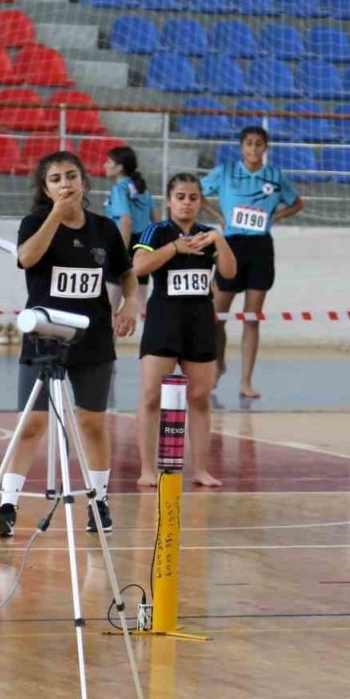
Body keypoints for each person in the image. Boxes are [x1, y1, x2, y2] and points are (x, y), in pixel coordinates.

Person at [0, 151, 139, 538]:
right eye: (55, 179)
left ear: (84, 181)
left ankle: (99, 501)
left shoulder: (103, 229)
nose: (66, 184)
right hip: (44, 336)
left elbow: (126, 272)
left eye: (71, 176)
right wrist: (55, 215)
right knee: (31, 422)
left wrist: (130, 303)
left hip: (93, 337)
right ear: (45, 187)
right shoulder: (36, 222)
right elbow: (26, 257)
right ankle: (7, 504)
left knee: (92, 422)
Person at [132, 173, 237, 488]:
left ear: (200, 202)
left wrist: (220, 239)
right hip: (164, 319)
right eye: (180, 197)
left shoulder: (208, 235)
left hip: (200, 321)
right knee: (152, 395)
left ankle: (201, 470)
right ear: (169, 200)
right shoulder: (157, 231)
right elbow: (138, 266)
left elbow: (230, 273)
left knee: (200, 397)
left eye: (193, 198)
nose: (187, 203)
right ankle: (147, 469)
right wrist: (175, 248)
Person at [201, 126, 303, 398]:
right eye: (249, 143)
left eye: (259, 144)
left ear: (265, 148)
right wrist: (218, 215)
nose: (254, 149)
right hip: (231, 245)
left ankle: (246, 381)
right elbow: (197, 192)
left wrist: (277, 216)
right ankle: (218, 365)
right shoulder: (225, 171)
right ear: (241, 147)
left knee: (252, 319)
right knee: (216, 317)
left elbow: (296, 203)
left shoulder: (275, 176)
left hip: (260, 247)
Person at [102, 145, 156, 309]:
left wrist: (121, 253)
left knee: (110, 306)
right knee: (140, 306)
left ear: (119, 167)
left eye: (108, 161)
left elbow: (126, 222)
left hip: (125, 243)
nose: (104, 164)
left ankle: (109, 336)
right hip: (143, 246)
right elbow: (156, 219)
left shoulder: (119, 189)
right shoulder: (143, 188)